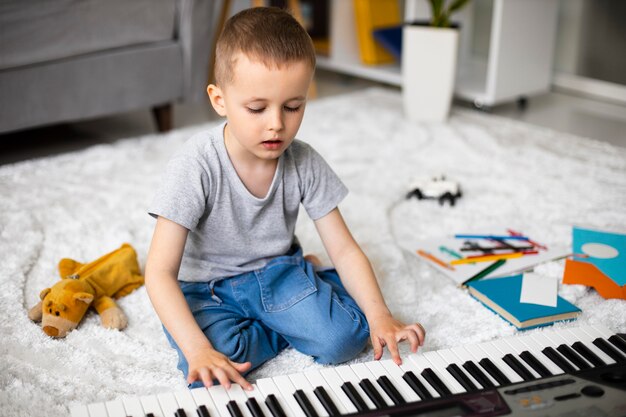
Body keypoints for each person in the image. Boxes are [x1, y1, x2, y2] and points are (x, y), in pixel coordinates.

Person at [145, 7, 425, 391]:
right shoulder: (195, 166)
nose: (276, 123)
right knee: (214, 365)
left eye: (293, 106)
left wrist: (380, 315)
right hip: (208, 288)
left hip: (277, 272)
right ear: (219, 99)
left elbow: (343, 249)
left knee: (343, 341)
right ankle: (300, 306)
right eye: (257, 108)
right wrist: (196, 349)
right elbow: (159, 273)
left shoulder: (303, 161)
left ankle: (308, 290)